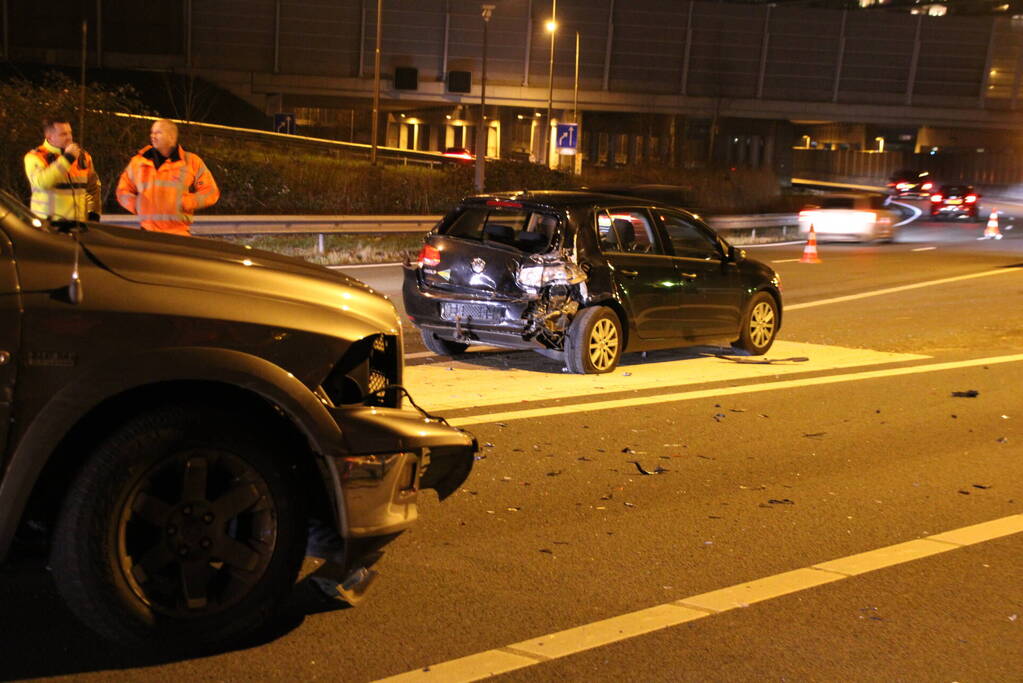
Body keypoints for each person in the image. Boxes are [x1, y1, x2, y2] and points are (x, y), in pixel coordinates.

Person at [116, 118, 219, 236]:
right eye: (152, 132)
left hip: (179, 235)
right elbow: (122, 191)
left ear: (171, 137)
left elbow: (211, 192)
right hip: (147, 233)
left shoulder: (191, 162)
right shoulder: (138, 162)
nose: (153, 136)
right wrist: (137, 205)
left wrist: (186, 202)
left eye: (158, 132)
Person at [24, 117, 101, 223]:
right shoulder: (35, 157)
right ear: (49, 137)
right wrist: (67, 159)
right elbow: (42, 182)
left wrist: (93, 213)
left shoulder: (83, 157)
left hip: (78, 226)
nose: (69, 137)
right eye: (63, 134)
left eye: (70, 133)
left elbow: (93, 189)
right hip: (49, 227)